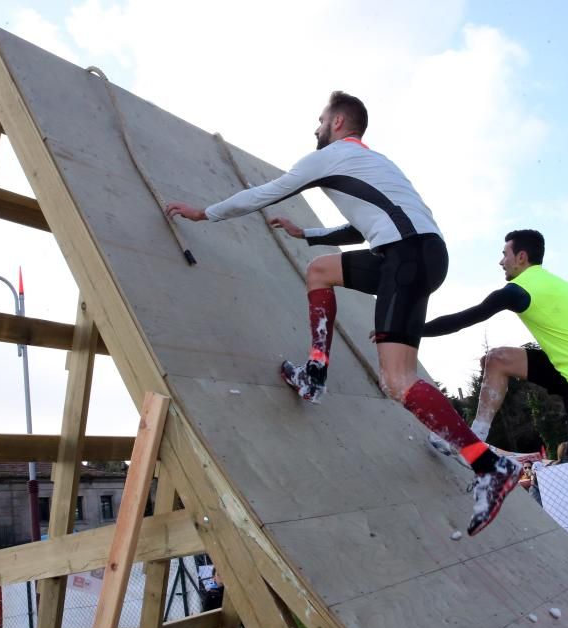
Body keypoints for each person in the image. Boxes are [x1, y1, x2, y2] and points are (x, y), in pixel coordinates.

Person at [165, 92, 517, 536]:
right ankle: (315, 373)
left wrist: (205, 213)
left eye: (319, 120)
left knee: (397, 382)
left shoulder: (331, 155)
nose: (314, 128)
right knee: (320, 271)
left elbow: (267, 192)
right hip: (411, 253)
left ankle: (487, 466)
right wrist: (307, 232)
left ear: (337, 122)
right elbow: (363, 224)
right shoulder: (372, 164)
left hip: (406, 257)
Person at [421, 229, 568, 615]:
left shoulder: (520, 289)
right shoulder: (548, 282)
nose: (501, 261)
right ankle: (471, 439)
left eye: (504, 254)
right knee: (497, 359)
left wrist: (408, 330)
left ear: (521, 257)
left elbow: (466, 318)